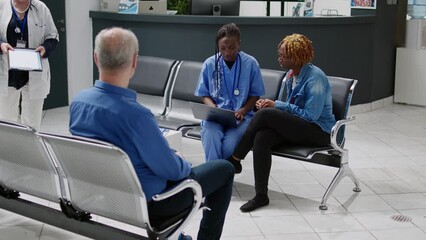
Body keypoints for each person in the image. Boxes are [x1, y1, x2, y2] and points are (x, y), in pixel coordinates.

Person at [69, 27, 234, 240]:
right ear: (134, 62)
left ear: (96, 58)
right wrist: (181, 162)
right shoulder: (136, 115)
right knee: (225, 168)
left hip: (107, 194)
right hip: (153, 202)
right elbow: (174, 172)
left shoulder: (79, 102)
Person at [227, 33, 336, 212]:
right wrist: (268, 105)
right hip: (299, 127)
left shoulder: (315, 78)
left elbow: (311, 116)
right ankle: (261, 195)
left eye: (283, 55)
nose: (279, 58)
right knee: (262, 137)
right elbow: (286, 109)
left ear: (296, 57)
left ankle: (235, 158)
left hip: (318, 132)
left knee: (265, 116)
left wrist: (275, 105)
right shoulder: (292, 74)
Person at [194, 23, 265, 167]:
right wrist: (213, 108)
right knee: (210, 134)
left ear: (239, 44)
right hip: (216, 115)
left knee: (231, 142)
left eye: (232, 47)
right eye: (222, 48)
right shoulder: (209, 64)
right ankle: (216, 175)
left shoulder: (251, 63)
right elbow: (204, 94)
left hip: (242, 117)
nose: (227, 52)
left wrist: (244, 110)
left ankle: (217, 174)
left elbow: (255, 94)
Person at [0, 0, 59, 130]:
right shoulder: (2, 5)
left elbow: (53, 36)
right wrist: (1, 45)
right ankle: (10, 150)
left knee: (32, 125)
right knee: (6, 123)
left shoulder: (41, 8)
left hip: (34, 72)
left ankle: (29, 150)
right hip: (7, 73)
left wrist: (45, 48)